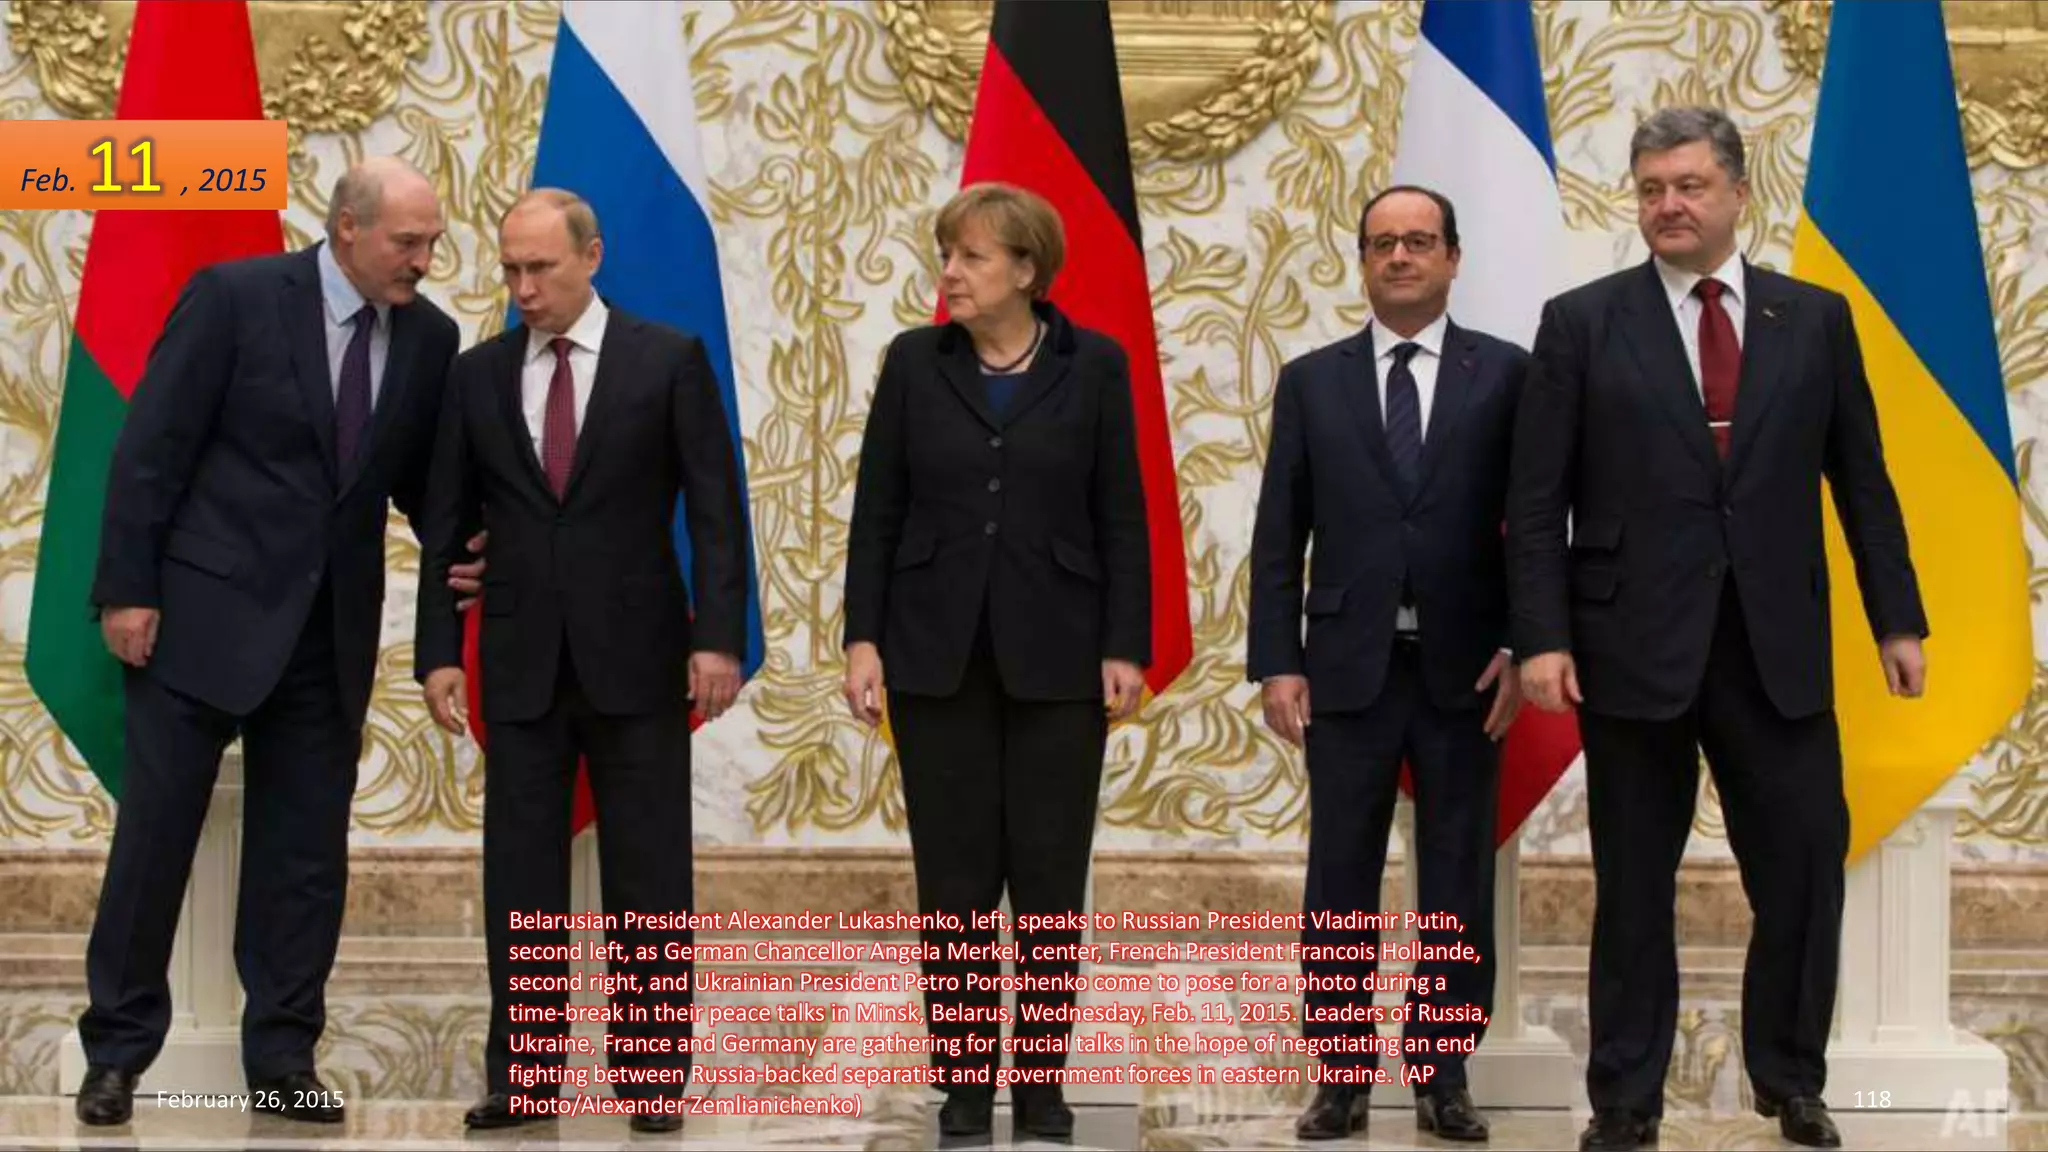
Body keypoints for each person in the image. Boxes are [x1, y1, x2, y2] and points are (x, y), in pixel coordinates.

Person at [1508, 107, 1929, 1152]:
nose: (1668, 206)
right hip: (1628, 648)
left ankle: (1790, 1082)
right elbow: (1532, 500)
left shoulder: (1814, 319)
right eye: (1650, 188)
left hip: (1773, 647)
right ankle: (1624, 1100)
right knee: (1633, 888)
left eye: (1688, 186)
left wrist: (1896, 620)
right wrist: (1542, 636)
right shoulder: (1579, 321)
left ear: (1737, 192)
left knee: (1799, 870)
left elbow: (1861, 484)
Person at [77, 157, 481, 1126]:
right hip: (198, 623)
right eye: (407, 242)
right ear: (347, 227)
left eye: (430, 242)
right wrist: (126, 591)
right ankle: (117, 1054)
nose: (425, 260)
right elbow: (151, 449)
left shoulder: (430, 338)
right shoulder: (235, 298)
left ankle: (284, 1058)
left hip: (326, 634)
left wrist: (479, 554)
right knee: (155, 841)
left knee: (304, 858)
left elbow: (421, 486)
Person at [414, 188, 746, 1136]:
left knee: (649, 875)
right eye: (511, 270)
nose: (523, 288)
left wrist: (716, 637)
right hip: (517, 663)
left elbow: (717, 513)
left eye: (541, 269)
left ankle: (650, 1083)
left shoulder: (666, 359)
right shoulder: (476, 377)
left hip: (640, 660)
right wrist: (440, 653)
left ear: (590, 257)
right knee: (519, 879)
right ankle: (523, 1080)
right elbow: (448, 525)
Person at [840, 181, 1149, 1139]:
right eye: (948, 255)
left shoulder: (1094, 366)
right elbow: (878, 510)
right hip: (935, 657)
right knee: (957, 880)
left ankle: (1043, 1088)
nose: (952, 274)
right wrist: (863, 637)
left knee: (1050, 878)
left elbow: (1121, 517)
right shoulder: (912, 361)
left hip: (1059, 657)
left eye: (972, 257)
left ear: (1026, 268)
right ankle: (967, 1087)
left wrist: (1124, 645)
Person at [1248, 185, 1524, 1143]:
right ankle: (1340, 1074)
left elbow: (1534, 527)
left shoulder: (1509, 376)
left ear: (1453, 257)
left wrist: (1522, 646)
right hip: (1346, 668)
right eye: (1382, 245)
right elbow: (1280, 532)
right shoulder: (1314, 380)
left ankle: (1442, 1075)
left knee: (1455, 878)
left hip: (1466, 671)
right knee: (1341, 876)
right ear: (1361, 262)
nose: (1399, 258)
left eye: (1418, 243)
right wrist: (1277, 661)